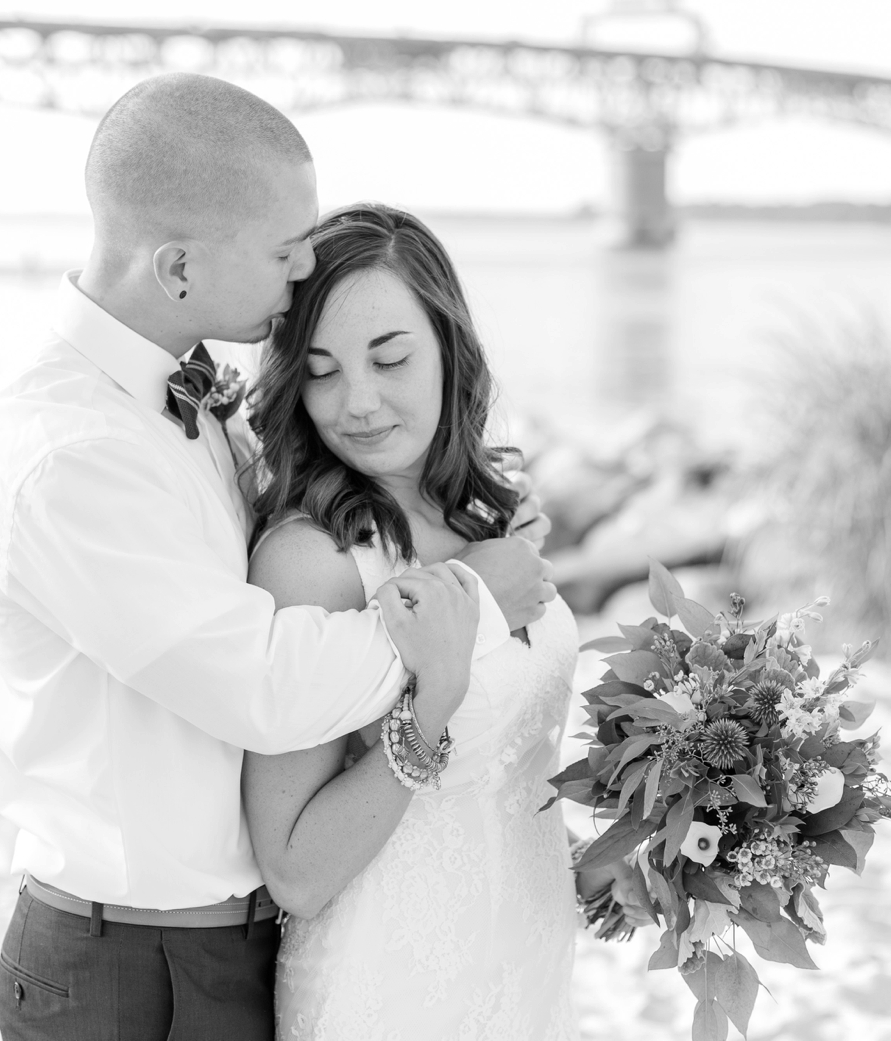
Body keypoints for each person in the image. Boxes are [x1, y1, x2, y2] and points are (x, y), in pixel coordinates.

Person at [0, 73, 554, 1041]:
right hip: (129, 964)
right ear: (180, 267)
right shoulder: (67, 454)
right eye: (283, 248)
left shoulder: (183, 401)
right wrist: (468, 603)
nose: (303, 266)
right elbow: (265, 687)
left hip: (243, 945)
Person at [240, 204, 650, 1041]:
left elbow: (498, 775)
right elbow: (296, 869)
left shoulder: (490, 515)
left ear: (448, 346)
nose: (357, 402)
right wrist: (431, 699)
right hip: (391, 990)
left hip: (528, 963)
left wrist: (604, 855)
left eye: (389, 358)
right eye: (320, 370)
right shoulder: (314, 560)